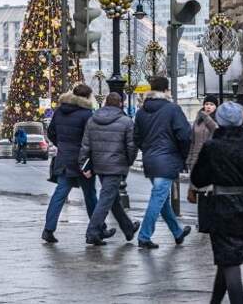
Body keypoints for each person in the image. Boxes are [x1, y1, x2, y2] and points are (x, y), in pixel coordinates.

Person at [191, 102, 243, 304]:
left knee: (230, 262)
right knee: (228, 259)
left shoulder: (213, 147)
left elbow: (199, 179)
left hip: (221, 206)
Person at [42, 84, 113, 243]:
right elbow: (91, 139)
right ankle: (98, 229)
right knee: (90, 195)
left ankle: (48, 229)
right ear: (87, 97)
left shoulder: (59, 111)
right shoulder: (86, 114)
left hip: (64, 158)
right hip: (82, 161)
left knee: (59, 194)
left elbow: (51, 133)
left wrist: (62, 146)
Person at [134, 76, 192, 249]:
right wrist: (183, 156)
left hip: (150, 159)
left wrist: (148, 149)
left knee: (162, 199)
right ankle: (144, 236)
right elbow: (184, 135)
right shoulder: (173, 109)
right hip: (167, 159)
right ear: (166, 90)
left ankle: (177, 232)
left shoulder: (141, 111)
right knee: (158, 196)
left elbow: (136, 137)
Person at [79, 92, 140, 246]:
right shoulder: (126, 121)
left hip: (99, 165)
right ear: (120, 104)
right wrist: (128, 162)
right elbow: (131, 146)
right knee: (106, 199)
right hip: (116, 165)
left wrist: (83, 163)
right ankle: (92, 232)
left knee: (112, 199)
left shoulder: (93, 120)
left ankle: (128, 229)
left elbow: (86, 145)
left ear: (106, 102)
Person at [185, 94, 217, 204]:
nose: (208, 106)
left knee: (208, 191)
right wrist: (189, 159)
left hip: (210, 159)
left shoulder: (217, 120)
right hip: (196, 157)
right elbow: (193, 141)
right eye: (206, 104)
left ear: (216, 107)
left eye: (211, 104)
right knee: (196, 191)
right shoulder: (198, 120)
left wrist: (206, 117)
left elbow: (215, 129)